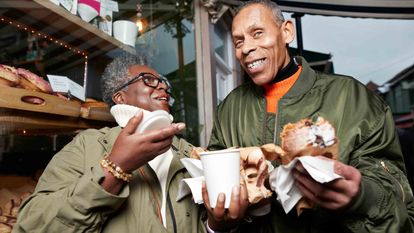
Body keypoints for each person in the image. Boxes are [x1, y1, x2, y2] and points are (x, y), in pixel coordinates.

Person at [208, 0, 414, 232]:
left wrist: (362, 197)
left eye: (257, 33)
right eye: (239, 41)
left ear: (286, 32)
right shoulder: (229, 109)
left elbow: (397, 201)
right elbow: (214, 175)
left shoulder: (352, 98)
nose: (246, 48)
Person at [13, 54, 247, 233]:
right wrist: (115, 168)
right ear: (120, 97)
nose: (163, 86)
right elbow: (31, 225)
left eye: (164, 82)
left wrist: (217, 226)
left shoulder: (188, 153)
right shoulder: (89, 146)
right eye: (149, 80)